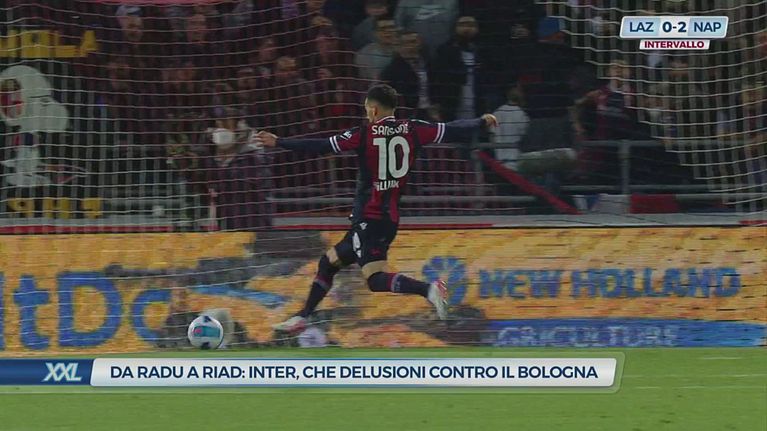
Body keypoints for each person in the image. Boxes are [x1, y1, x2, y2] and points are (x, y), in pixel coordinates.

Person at [255, 84, 498, 332]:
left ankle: (428, 290)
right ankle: (303, 316)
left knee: (374, 279)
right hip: (388, 217)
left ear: (372, 109)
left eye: (366, 110)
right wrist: (481, 122)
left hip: (369, 217)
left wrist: (280, 141)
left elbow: (322, 146)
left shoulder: (364, 134)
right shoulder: (414, 128)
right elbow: (452, 129)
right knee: (329, 262)